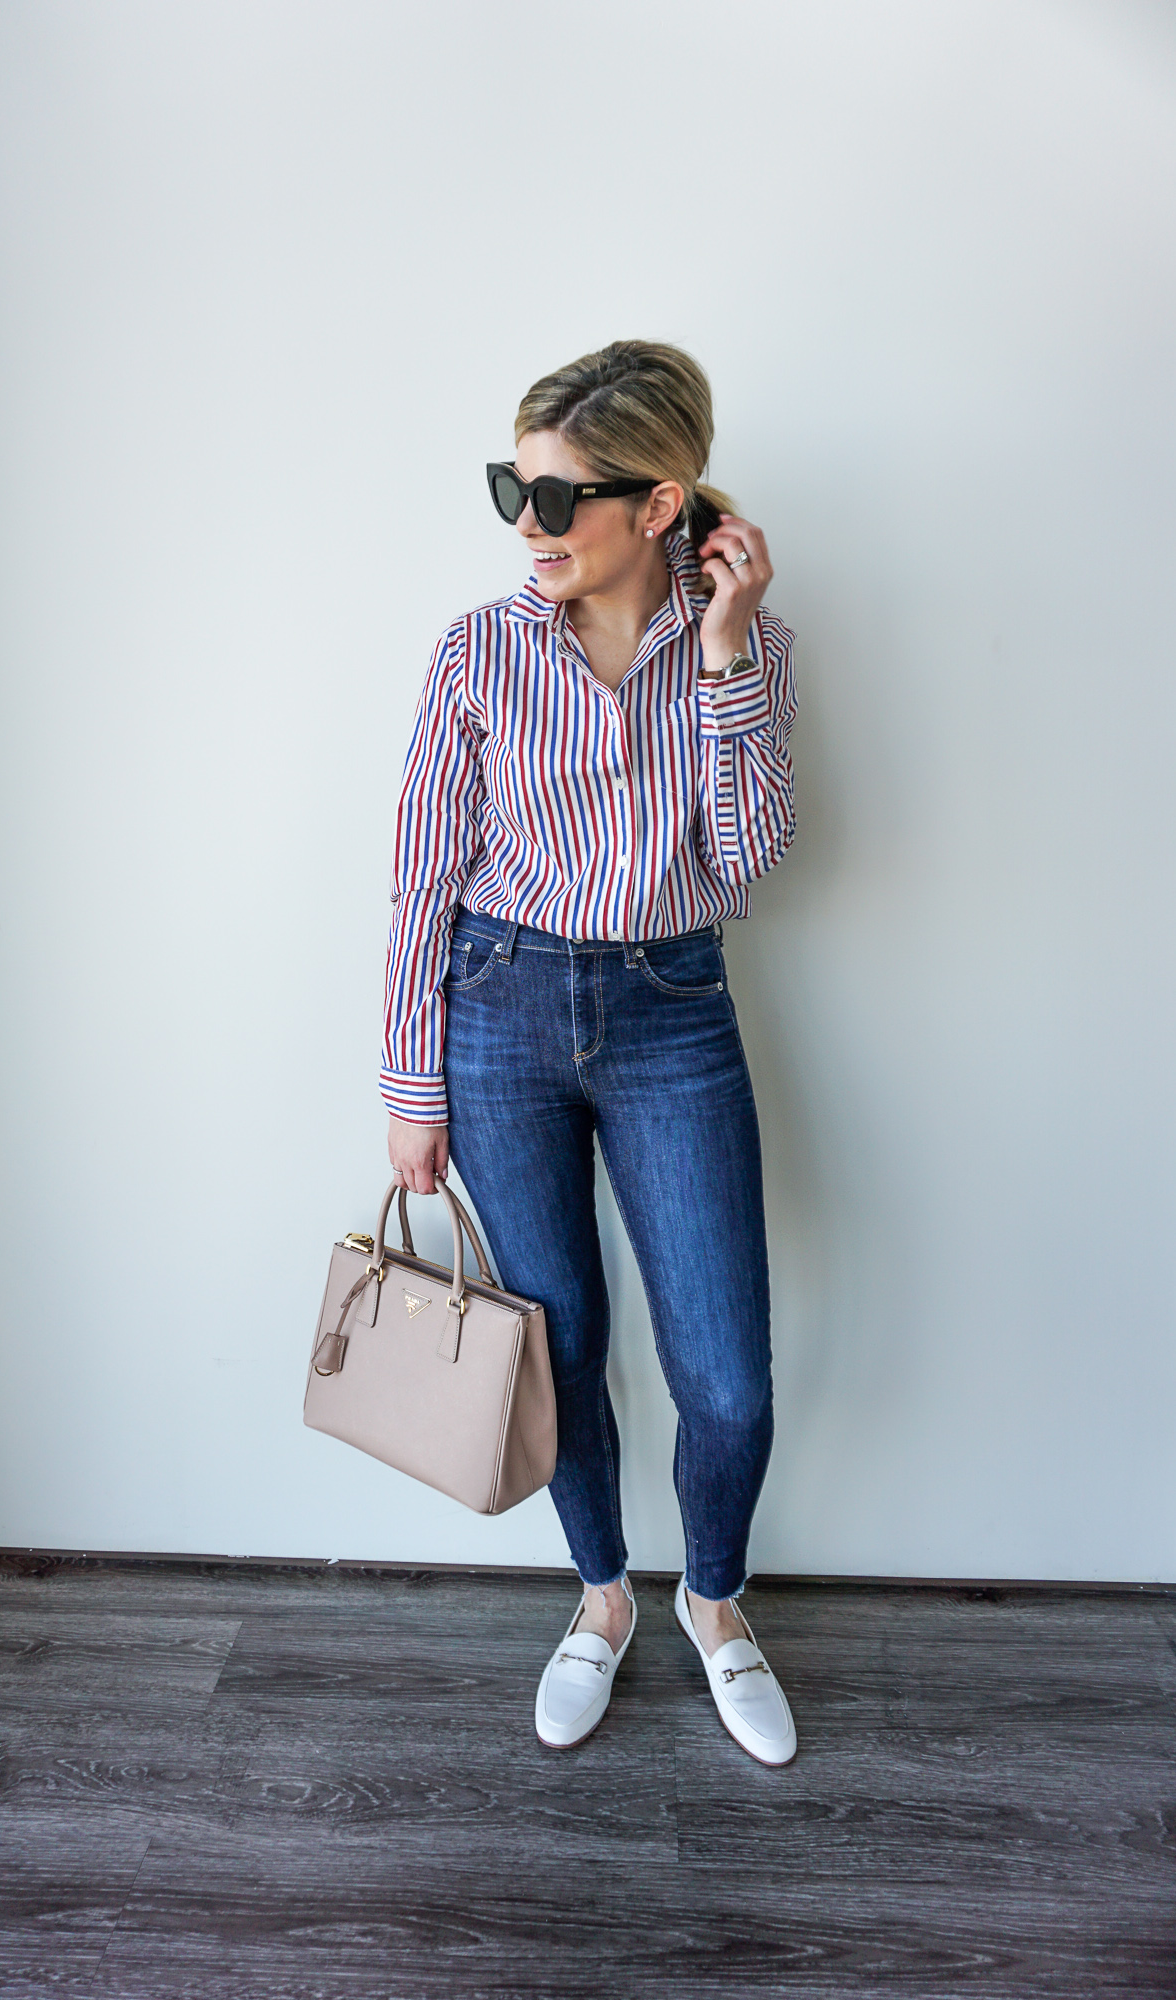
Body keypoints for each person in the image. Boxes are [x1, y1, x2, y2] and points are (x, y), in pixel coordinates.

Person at [381, 340, 798, 1763]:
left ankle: (719, 1601)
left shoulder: (746, 649)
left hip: (673, 1009)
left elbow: (742, 867)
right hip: (498, 1011)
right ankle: (605, 1596)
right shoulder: (475, 652)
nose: (525, 525)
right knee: (554, 1348)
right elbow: (420, 883)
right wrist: (408, 1085)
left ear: (659, 502)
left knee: (725, 1376)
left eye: (556, 498)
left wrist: (732, 656)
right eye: (512, 487)